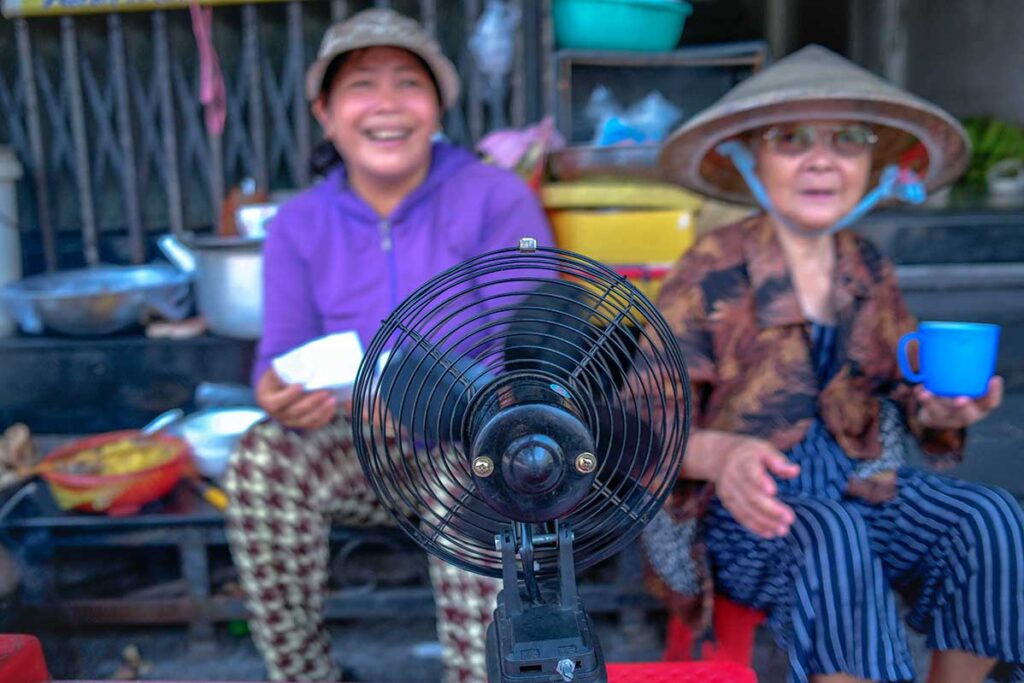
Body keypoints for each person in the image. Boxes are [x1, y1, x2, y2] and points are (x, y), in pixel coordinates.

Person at [646, 45, 1024, 683]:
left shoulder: (868, 266)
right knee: (834, 539)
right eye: (791, 139)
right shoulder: (708, 269)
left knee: (992, 519)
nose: (821, 160)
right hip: (745, 512)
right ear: (750, 158)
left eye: (847, 139)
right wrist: (721, 455)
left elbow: (908, 395)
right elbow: (633, 425)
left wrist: (943, 408)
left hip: (861, 489)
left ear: (871, 164)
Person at [223, 9, 553, 682]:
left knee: (474, 480)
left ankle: (478, 672)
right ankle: (308, 674)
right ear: (325, 112)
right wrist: (277, 392)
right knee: (260, 456)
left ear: (438, 107)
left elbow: (533, 357)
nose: (385, 105)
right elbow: (278, 354)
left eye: (408, 83)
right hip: (357, 456)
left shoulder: (497, 198)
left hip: (471, 448)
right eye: (361, 85)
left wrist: (417, 401)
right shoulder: (297, 223)